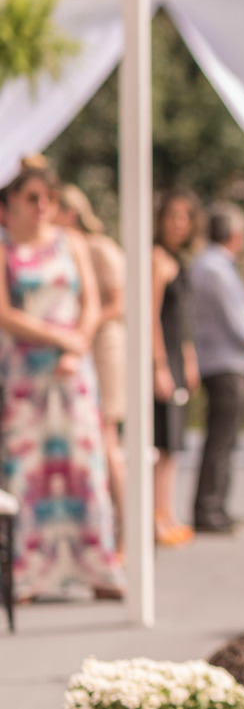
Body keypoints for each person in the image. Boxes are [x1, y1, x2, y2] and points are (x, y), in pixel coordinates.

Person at [0, 155, 124, 601]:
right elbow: (3, 312)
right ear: (11, 204)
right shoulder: (4, 248)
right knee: (26, 470)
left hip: (73, 370)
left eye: (48, 198)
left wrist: (78, 344)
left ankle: (98, 569)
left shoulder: (71, 241)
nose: (42, 206)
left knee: (84, 467)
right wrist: (58, 337)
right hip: (26, 376)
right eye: (33, 197)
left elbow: (91, 303)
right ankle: (26, 575)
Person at [190, 201, 244, 533]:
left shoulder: (207, 264)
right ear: (236, 235)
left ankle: (215, 506)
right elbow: (238, 319)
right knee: (222, 440)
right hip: (225, 363)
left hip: (218, 360)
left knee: (222, 439)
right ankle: (209, 509)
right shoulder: (216, 268)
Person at [55, 184, 128, 557]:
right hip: (80, 346)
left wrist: (82, 327)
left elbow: (118, 303)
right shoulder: (62, 249)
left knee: (107, 438)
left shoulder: (99, 248)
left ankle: (127, 531)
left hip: (104, 347)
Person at [152, 188, 202, 546]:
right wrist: (159, 365)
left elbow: (182, 321)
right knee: (160, 444)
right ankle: (156, 517)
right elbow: (150, 315)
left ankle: (166, 512)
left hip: (175, 358)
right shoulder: (156, 259)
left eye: (185, 217)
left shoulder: (180, 260)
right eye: (172, 215)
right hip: (161, 359)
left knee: (172, 443)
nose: (178, 223)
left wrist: (189, 359)